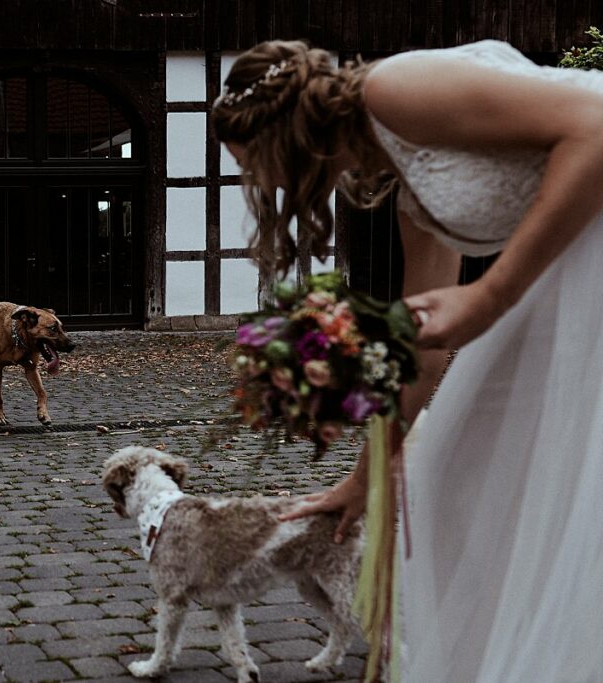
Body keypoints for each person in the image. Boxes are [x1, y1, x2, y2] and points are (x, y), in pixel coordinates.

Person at [211, 39, 603, 682]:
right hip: (567, 295)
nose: (262, 184)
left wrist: (491, 294)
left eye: (252, 164)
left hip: (566, 292)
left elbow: (595, 122)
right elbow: (422, 354)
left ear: (285, 132)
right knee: (446, 471)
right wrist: (361, 483)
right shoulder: (409, 190)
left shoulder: (394, 88)